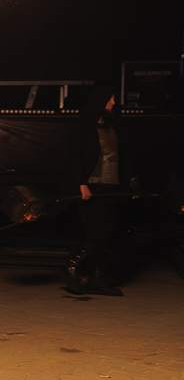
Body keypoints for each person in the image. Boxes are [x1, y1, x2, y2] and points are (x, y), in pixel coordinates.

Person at [64, 84, 135, 296]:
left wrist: (128, 183)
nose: (114, 103)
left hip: (112, 186)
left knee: (108, 233)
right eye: (110, 99)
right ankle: (73, 272)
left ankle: (99, 278)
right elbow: (75, 156)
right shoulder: (85, 126)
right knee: (94, 232)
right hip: (93, 185)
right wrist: (81, 183)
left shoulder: (113, 125)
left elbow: (122, 155)